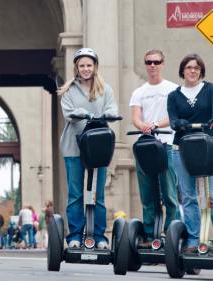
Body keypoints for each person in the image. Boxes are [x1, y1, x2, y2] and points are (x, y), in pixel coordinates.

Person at [58, 47, 118, 249]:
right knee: (76, 193)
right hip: (74, 147)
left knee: (98, 194)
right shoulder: (68, 90)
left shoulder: (105, 89)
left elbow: (112, 108)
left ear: (95, 67)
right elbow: (68, 113)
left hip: (98, 147)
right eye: (82, 65)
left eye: (89, 65)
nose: (85, 69)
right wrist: (81, 112)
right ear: (76, 67)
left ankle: (99, 236)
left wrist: (109, 113)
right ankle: (75, 235)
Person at [129, 49, 180, 248]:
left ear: (163, 63)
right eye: (149, 62)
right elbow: (135, 117)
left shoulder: (173, 90)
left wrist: (156, 125)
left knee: (169, 194)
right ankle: (150, 235)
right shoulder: (139, 92)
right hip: (146, 147)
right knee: (147, 195)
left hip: (167, 146)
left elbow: (173, 117)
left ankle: (171, 233)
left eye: (156, 62)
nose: (152, 65)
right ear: (145, 64)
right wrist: (143, 126)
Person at [167, 53, 213, 253]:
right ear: (182, 71)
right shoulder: (174, 96)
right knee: (188, 196)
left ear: (201, 71)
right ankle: (194, 241)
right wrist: (179, 124)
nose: (192, 71)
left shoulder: (210, 90)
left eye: (196, 67)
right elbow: (173, 119)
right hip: (182, 150)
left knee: (211, 196)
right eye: (188, 67)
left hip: (208, 149)